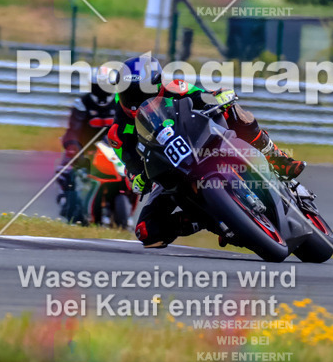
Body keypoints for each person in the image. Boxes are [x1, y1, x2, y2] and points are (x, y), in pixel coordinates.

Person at [106, 54, 308, 248]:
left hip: (199, 141)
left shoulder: (174, 87)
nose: (136, 101)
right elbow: (131, 167)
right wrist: (137, 178)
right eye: (129, 94)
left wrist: (218, 96)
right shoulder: (118, 132)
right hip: (169, 170)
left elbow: (203, 97)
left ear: (157, 84)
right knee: (146, 232)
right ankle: (219, 220)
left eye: (141, 93)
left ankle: (275, 157)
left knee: (233, 111)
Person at [55, 65, 116, 215]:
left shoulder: (119, 104)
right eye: (98, 86)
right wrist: (73, 146)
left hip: (113, 148)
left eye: (106, 86)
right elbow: (73, 129)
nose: (102, 90)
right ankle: (67, 198)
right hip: (85, 147)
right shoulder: (82, 104)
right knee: (64, 171)